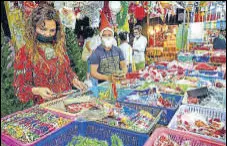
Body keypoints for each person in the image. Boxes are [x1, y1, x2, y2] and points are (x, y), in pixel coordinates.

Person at [13, 5, 87, 104]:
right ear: (33, 28)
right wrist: (38, 90)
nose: (47, 34)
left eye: (52, 30)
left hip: (67, 102)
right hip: (45, 107)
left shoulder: (59, 46)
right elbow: (19, 89)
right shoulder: (24, 53)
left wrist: (74, 80)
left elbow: (67, 71)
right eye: (43, 29)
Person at [90, 10, 127, 84]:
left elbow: (123, 66)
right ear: (101, 37)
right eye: (104, 35)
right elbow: (93, 73)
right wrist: (107, 78)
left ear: (113, 36)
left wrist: (123, 73)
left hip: (118, 83)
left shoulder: (118, 50)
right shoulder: (96, 53)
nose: (107, 37)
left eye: (109, 35)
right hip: (103, 86)